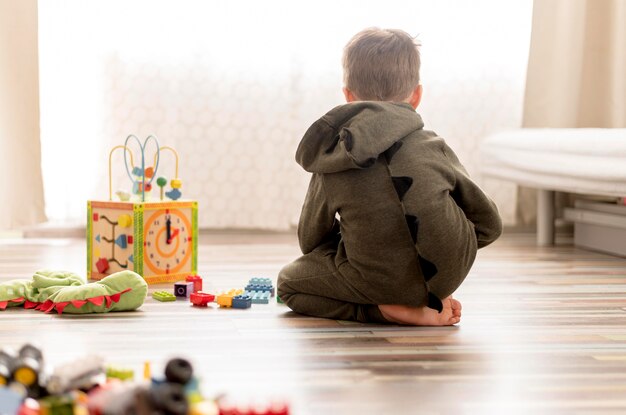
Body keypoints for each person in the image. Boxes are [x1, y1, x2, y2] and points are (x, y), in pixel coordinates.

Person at [277, 28, 502, 326]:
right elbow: (490, 224)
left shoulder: (334, 157)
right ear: (417, 95)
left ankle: (384, 310)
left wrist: (361, 239)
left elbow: (311, 240)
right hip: (447, 276)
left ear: (348, 97)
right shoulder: (433, 145)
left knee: (287, 284)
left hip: (376, 281)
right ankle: (422, 299)